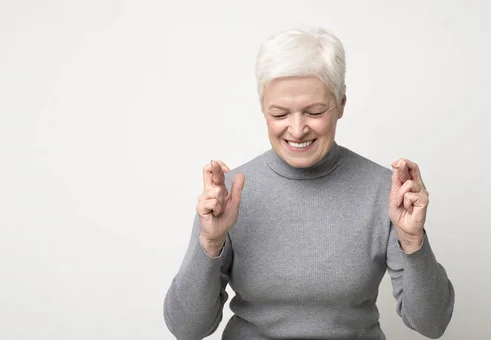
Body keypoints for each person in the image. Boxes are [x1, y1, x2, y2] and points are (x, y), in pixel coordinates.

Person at [163, 27, 455, 340]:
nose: (298, 129)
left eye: (314, 111)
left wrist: (413, 241)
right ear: (263, 109)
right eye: (280, 114)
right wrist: (210, 243)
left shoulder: (385, 191)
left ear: (341, 104)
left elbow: (432, 324)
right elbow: (186, 328)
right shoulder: (229, 195)